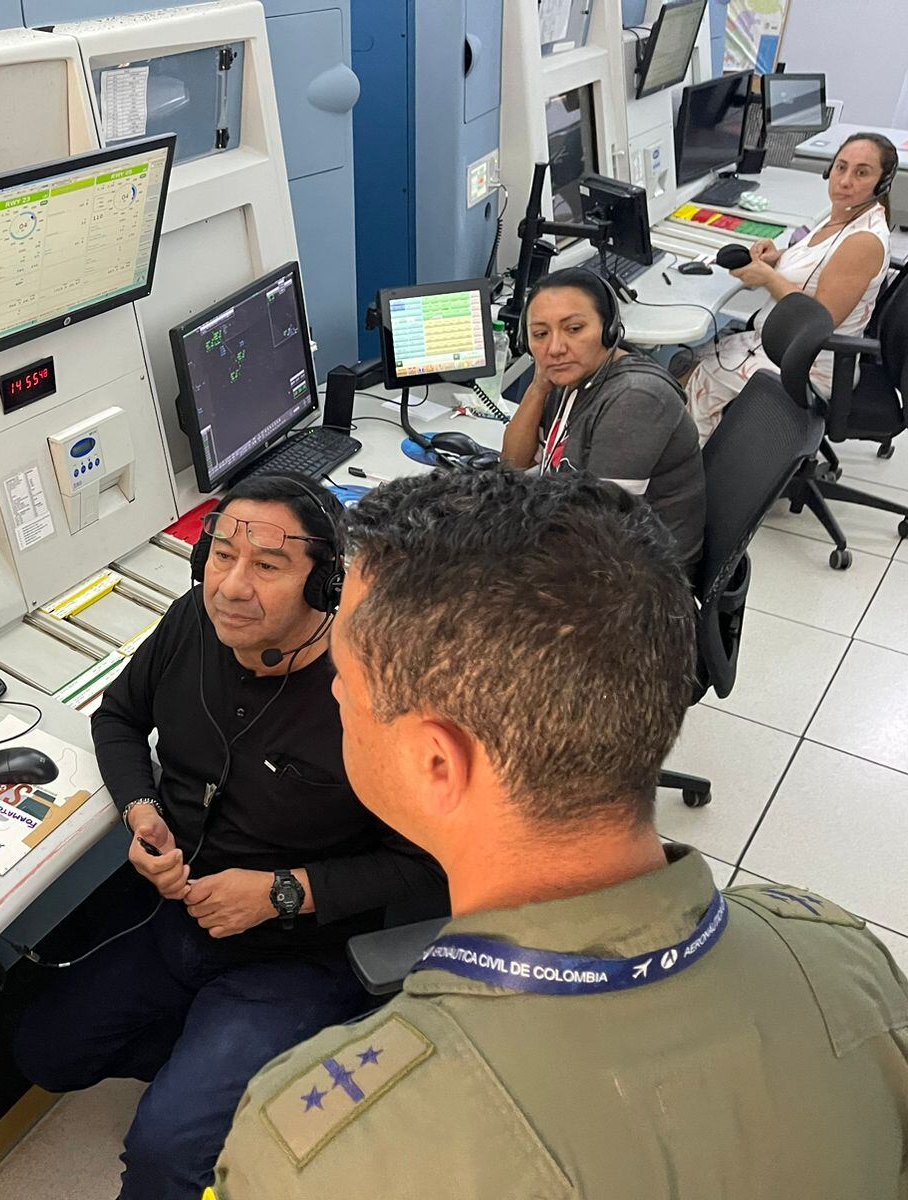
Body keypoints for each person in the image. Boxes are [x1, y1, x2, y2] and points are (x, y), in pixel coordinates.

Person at [212, 469, 908, 1199]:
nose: (333, 692)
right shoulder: (843, 955)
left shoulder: (322, 1154)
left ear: (436, 763)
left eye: (345, 681)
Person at [13, 472, 448, 1200]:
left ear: (323, 583)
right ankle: (213, 1068)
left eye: (268, 566)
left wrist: (284, 892)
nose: (232, 587)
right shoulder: (195, 622)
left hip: (295, 956)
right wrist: (139, 807)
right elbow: (117, 717)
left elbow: (428, 866)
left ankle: (222, 1081)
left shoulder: (374, 690)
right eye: (220, 557)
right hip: (173, 917)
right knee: (43, 1053)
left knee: (163, 1157)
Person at [685, 131, 897, 443]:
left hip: (810, 365)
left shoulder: (862, 240)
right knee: (689, 360)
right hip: (782, 345)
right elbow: (822, 263)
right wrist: (778, 258)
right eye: (841, 168)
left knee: (701, 376)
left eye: (861, 172)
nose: (846, 181)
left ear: (881, 183)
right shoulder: (844, 217)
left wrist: (770, 279)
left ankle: (694, 478)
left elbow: (819, 320)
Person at [502, 267, 705, 568]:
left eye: (574, 329)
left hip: (640, 576)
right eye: (540, 334)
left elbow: (597, 530)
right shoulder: (570, 376)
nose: (555, 348)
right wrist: (538, 385)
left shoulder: (636, 398)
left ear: (609, 329)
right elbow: (513, 465)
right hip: (594, 545)